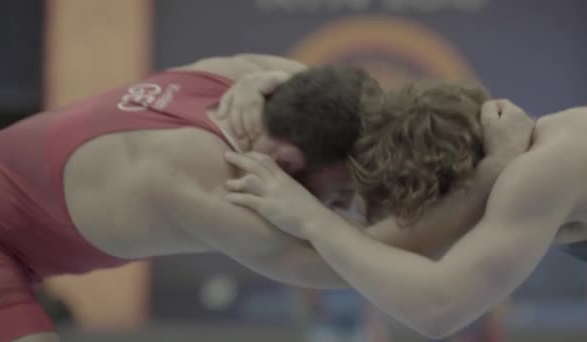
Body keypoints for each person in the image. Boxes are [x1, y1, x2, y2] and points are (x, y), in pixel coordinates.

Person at [0, 54, 395, 342]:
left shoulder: (243, 74)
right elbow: (344, 267)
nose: (340, 207)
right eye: (340, 193)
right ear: (286, 163)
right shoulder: (202, 180)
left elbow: (341, 93)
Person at [222, 80, 587, 338]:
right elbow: (346, 100)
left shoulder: (541, 173)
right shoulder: (538, 160)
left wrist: (311, 218)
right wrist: (265, 78)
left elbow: (439, 309)